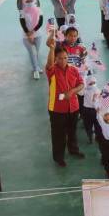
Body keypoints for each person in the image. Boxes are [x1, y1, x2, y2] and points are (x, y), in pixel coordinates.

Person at [45, 35, 85, 167]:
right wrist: (51, 48)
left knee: (72, 130)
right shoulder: (52, 71)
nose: (63, 60)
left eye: (65, 58)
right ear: (56, 58)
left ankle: (73, 150)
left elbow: (81, 84)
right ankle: (58, 157)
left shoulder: (73, 70)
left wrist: (72, 91)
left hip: (73, 107)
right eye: (60, 58)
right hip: (57, 109)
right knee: (58, 135)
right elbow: (49, 64)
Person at [19, 0, 44, 79]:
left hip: (37, 34)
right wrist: (28, 34)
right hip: (26, 36)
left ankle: (36, 66)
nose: (29, 2)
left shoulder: (39, 10)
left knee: (36, 52)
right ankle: (35, 69)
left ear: (34, 1)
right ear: (24, 2)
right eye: (27, 1)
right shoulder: (22, 12)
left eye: (31, 1)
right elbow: (22, 23)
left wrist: (33, 32)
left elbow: (40, 22)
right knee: (32, 53)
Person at [82, 76, 101, 144]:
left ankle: (91, 137)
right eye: (91, 83)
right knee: (96, 125)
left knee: (90, 125)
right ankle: (95, 137)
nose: (93, 85)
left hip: (88, 110)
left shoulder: (85, 90)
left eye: (94, 83)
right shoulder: (97, 90)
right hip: (94, 110)